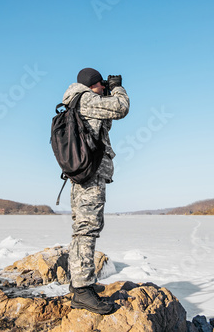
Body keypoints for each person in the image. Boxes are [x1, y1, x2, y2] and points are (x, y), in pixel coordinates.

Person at [62, 68, 129, 314]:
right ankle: (82, 290)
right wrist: (118, 89)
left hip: (83, 175)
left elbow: (105, 121)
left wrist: (107, 91)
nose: (104, 87)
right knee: (87, 230)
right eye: (101, 84)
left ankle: (80, 284)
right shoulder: (87, 99)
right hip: (89, 178)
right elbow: (121, 108)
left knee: (83, 228)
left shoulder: (80, 100)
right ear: (93, 85)